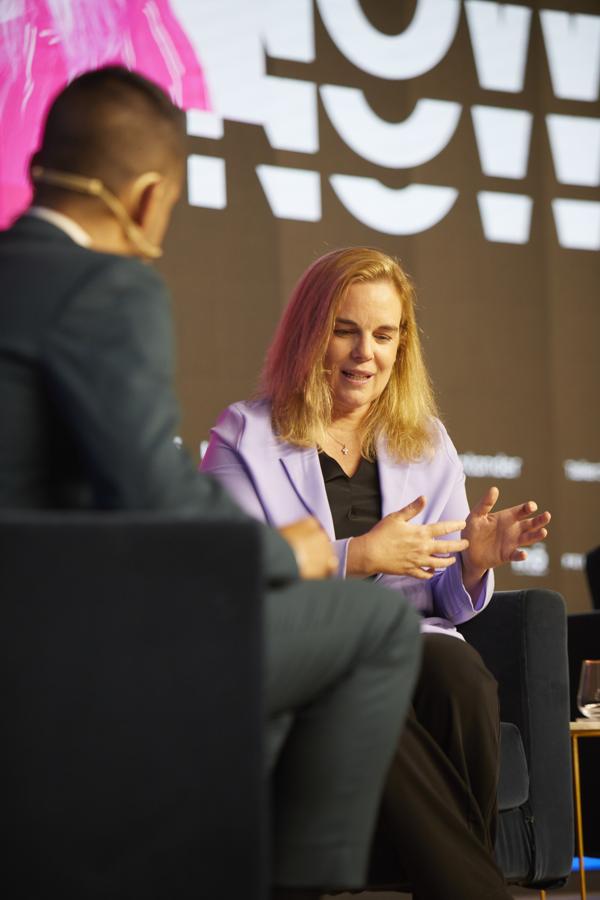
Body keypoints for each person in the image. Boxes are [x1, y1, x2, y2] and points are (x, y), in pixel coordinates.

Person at [0, 70, 423, 900]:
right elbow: (152, 499)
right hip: (68, 646)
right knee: (372, 624)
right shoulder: (104, 288)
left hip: (35, 624)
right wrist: (286, 551)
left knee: (262, 656)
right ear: (150, 196)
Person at [201, 246, 552, 900]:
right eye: (346, 329)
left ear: (402, 346)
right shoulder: (243, 438)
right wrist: (356, 557)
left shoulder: (426, 440)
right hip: (302, 651)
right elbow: (233, 581)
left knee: (464, 679)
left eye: (385, 335)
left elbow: (439, 597)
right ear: (311, 332)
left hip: (410, 639)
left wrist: (474, 561)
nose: (367, 352)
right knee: (365, 678)